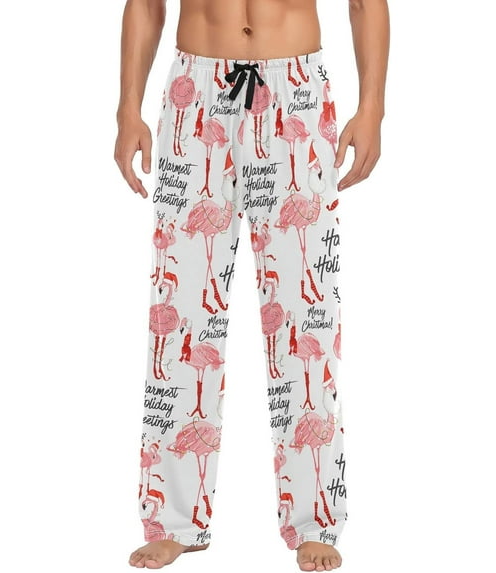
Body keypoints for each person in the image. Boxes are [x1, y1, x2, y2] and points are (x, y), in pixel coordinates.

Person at [114, 0, 389, 570]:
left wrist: (373, 108)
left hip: (296, 88)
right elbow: (145, 3)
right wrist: (127, 109)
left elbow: (365, 3)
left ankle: (316, 517)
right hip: (197, 88)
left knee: (306, 311)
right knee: (182, 312)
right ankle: (174, 519)